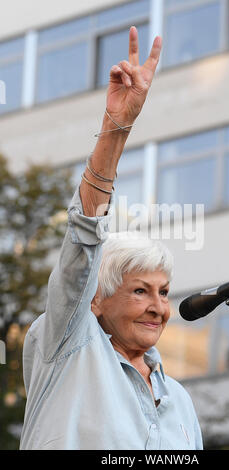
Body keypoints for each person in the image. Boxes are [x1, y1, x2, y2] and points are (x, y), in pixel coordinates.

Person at [20, 26, 203, 450]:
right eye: (140, 291)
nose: (158, 307)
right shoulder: (68, 347)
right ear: (95, 299)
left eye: (163, 292)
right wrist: (117, 127)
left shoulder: (180, 401)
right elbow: (84, 236)